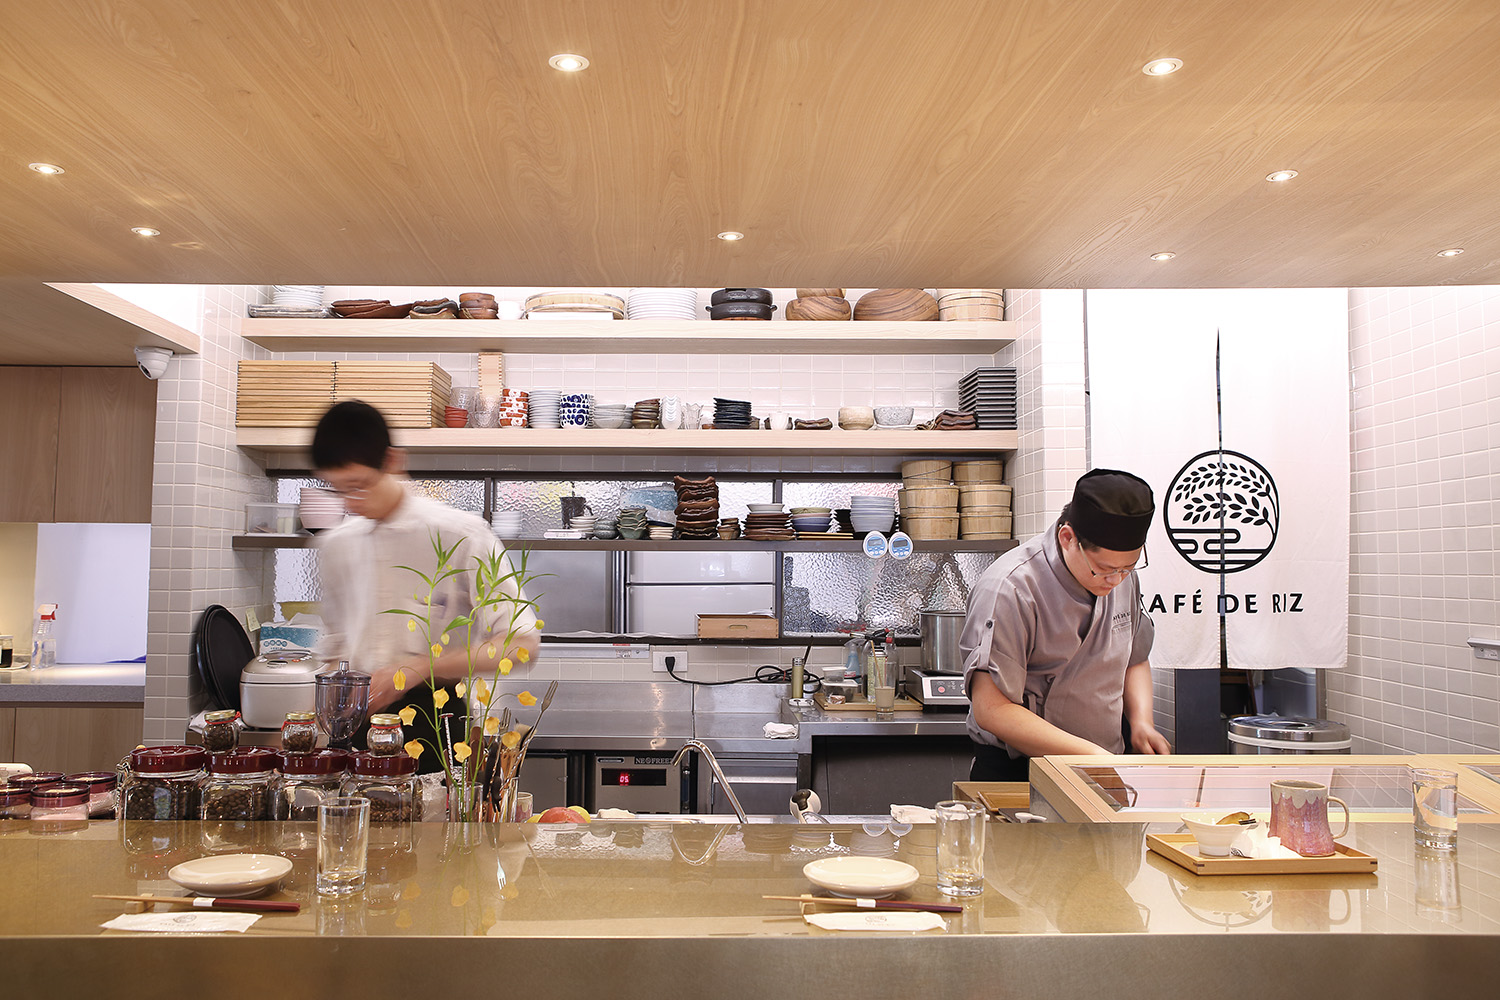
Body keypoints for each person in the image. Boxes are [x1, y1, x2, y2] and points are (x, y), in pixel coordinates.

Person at [310, 400, 539, 769]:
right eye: (338, 490)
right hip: (355, 727)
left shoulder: (460, 534)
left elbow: (522, 645)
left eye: (359, 486)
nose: (351, 503)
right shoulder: (336, 545)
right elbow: (336, 645)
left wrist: (413, 671)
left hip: (437, 723)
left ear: (393, 461)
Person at [961, 468, 1170, 781]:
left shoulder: (1121, 577)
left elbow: (1134, 657)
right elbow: (992, 709)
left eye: (1127, 568)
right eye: (1103, 569)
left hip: (1104, 763)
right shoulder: (1012, 587)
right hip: (1022, 770)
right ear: (1068, 538)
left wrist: (1141, 722)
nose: (1115, 581)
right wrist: (1091, 755)